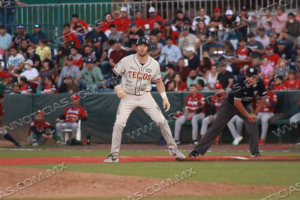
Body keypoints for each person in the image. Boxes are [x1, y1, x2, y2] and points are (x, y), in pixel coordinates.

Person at [104, 36, 185, 162]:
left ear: (149, 47)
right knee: (119, 123)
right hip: (128, 96)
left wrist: (164, 97)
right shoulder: (127, 60)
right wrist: (118, 86)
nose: (142, 47)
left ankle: (173, 148)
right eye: (140, 45)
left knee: (162, 121)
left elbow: (159, 82)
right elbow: (114, 74)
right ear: (136, 47)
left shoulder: (154, 64)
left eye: (145, 45)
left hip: (145, 96)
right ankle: (114, 154)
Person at [189, 67, 267, 157]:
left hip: (245, 105)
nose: (251, 79)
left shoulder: (260, 83)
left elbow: (262, 98)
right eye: (249, 76)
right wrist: (249, 115)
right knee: (216, 127)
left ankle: (255, 152)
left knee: (253, 124)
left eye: (253, 77)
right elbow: (237, 103)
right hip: (229, 105)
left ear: (257, 77)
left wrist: (254, 113)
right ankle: (197, 151)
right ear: (245, 75)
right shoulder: (239, 83)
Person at [255, 78, 277, 145]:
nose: (264, 86)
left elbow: (274, 104)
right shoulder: (258, 94)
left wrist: (263, 102)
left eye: (265, 85)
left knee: (264, 119)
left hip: (269, 113)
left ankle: (262, 139)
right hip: (260, 112)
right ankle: (254, 138)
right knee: (252, 120)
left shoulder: (272, 94)